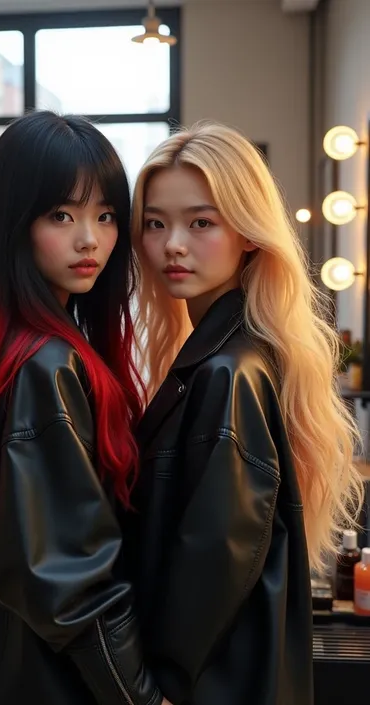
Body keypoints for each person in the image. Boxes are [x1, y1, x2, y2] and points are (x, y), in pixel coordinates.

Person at [0, 111, 166, 705]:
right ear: (15, 223)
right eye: (62, 215)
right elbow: (74, 582)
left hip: (15, 660)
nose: (91, 239)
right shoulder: (45, 365)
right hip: (51, 677)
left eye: (106, 215)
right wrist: (143, 698)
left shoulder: (19, 347)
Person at [125, 122, 364, 705]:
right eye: (155, 223)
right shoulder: (236, 349)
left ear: (250, 234)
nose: (172, 244)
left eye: (201, 222)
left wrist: (151, 689)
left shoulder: (227, 370)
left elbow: (212, 564)